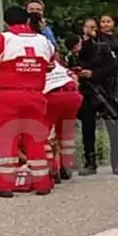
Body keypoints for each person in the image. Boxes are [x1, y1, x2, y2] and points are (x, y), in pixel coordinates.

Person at [0, 6, 56, 197]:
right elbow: (51, 66)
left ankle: (3, 185)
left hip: (9, 95)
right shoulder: (44, 41)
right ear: (28, 20)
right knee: (36, 139)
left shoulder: (3, 39)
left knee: (7, 138)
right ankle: (42, 183)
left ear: (6, 22)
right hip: (36, 96)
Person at [77, 14, 118, 175]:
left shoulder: (103, 47)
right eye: (86, 27)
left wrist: (93, 74)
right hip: (86, 92)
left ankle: (116, 161)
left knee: (113, 125)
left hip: (105, 90)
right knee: (88, 128)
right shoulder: (78, 48)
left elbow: (113, 67)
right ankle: (90, 162)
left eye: (92, 28)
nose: (89, 31)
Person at [44, 52, 83, 181]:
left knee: (45, 134)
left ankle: (52, 168)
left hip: (52, 97)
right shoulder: (60, 67)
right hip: (73, 96)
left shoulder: (39, 66)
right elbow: (75, 81)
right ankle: (66, 166)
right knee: (66, 133)